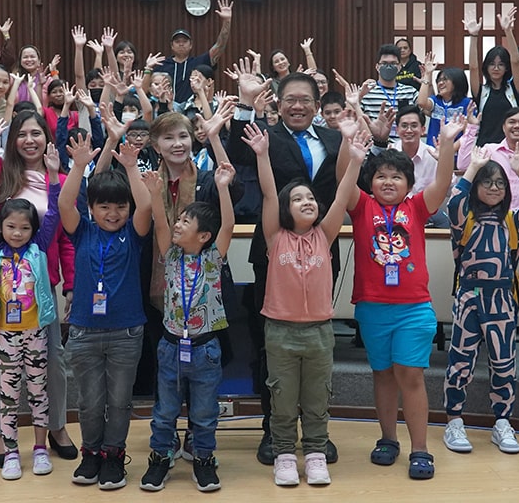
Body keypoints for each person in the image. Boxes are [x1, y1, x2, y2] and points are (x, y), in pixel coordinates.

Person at [226, 62, 345, 466]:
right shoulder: (268, 135)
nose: (298, 106)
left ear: (317, 105)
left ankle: (316, 434)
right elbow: (238, 151)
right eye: (290, 99)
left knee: (316, 344)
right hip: (274, 251)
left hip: (323, 248)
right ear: (279, 102)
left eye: (305, 100)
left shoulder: (333, 136)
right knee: (269, 343)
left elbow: (348, 182)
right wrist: (245, 102)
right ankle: (272, 431)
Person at [0, 92, 78, 469]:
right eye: (22, 133)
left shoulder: (62, 178)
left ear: (47, 138)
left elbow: (66, 235)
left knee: (51, 359)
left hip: (39, 280)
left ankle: (56, 428)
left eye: (36, 133)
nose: (29, 140)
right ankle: (3, 437)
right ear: (12, 139)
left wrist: (69, 283)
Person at [242, 117, 368, 486]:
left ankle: (314, 452)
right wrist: (262, 155)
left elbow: (343, 195)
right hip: (280, 332)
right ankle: (284, 453)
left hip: (318, 333)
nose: (306, 202)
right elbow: (268, 193)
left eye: (310, 197)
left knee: (316, 399)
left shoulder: (325, 235)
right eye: (297, 198)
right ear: (286, 209)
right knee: (282, 400)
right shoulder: (274, 236)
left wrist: (355, 160)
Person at [341, 110, 464, 480]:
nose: (389, 181)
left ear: (409, 184)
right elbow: (343, 188)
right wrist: (349, 150)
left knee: (410, 375)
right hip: (371, 307)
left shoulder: (416, 208)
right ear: (371, 182)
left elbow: (442, 184)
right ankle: (388, 439)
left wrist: (445, 145)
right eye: (381, 176)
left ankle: (421, 449)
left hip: (413, 309)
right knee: (382, 375)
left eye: (397, 176)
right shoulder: (362, 207)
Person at [59, 134, 152, 490]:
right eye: (104, 207)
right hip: (83, 330)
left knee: (119, 401)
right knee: (89, 402)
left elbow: (144, 207)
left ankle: (114, 455)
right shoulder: (82, 232)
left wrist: (131, 168)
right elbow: (65, 203)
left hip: (127, 332)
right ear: (92, 209)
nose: (113, 214)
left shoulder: (134, 232)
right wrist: (79, 165)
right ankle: (91, 454)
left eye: (119, 207)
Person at [442, 144, 519, 455]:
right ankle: (454, 420)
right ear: (477, 187)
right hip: (469, 298)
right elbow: (453, 203)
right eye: (487, 182)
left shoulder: (514, 221)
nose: (493, 187)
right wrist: (472, 168)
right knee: (460, 362)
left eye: (499, 183)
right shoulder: (465, 218)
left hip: (502, 299)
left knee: (504, 365)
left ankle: (502, 422)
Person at [0, 144, 61, 480]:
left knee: (38, 390)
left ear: (33, 231)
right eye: (11, 227)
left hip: (36, 332)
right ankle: (11, 452)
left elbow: (54, 216)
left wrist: (53, 177)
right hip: (5, 334)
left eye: (24, 228)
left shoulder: (39, 247)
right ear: (1, 228)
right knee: (8, 393)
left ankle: (40, 448)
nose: (17, 233)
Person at [139, 161, 235, 492]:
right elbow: (161, 225)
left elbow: (229, 226)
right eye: (179, 219)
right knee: (165, 410)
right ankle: (162, 457)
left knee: (205, 412)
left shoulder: (212, 257)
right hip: (169, 347)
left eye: (186, 221)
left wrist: (222, 188)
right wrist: (155, 194)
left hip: (205, 348)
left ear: (204, 235)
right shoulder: (171, 257)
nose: (178, 224)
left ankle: (204, 458)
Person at [154, 0, 233, 108]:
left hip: (193, 109)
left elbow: (219, 46)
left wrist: (226, 22)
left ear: (191, 45)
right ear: (171, 46)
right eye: (177, 42)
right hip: (166, 108)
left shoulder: (199, 62)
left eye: (185, 41)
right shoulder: (161, 64)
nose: (181, 44)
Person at [465, 7, 519, 147]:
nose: (496, 68)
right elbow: (473, 68)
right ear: (486, 67)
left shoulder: (513, 89)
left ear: (506, 68)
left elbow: (515, 62)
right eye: (492, 64)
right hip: (485, 149)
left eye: (501, 64)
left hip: (512, 148)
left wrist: (508, 32)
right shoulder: (481, 91)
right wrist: (473, 36)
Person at [388, 105, 450, 228]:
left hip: (426, 210)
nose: (409, 130)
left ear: (422, 130)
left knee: (446, 223)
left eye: (414, 126)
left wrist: (443, 161)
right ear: (398, 130)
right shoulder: (389, 153)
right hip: (395, 209)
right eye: (404, 126)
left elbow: (450, 188)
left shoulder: (432, 153)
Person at [358, 44, 419, 132]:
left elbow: (427, 108)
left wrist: (427, 82)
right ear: (377, 67)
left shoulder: (410, 91)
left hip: (403, 143)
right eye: (384, 63)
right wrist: (358, 97)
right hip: (375, 142)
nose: (389, 67)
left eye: (393, 64)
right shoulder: (366, 91)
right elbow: (352, 116)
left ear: (399, 67)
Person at [416, 53, 471, 146]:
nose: (440, 83)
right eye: (439, 80)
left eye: (445, 80)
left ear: (457, 81)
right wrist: (427, 75)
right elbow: (421, 102)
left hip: (456, 153)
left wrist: (449, 151)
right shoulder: (436, 101)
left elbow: (467, 134)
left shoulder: (466, 103)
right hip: (433, 152)